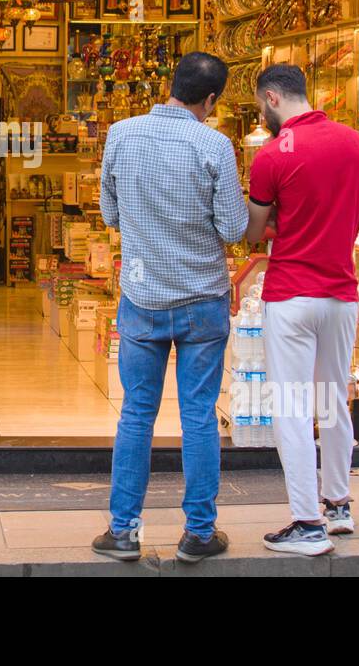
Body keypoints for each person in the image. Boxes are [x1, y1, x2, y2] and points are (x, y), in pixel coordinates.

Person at [91, 52, 247, 564]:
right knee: (198, 416)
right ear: (210, 100)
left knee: (136, 413)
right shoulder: (215, 144)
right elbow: (232, 229)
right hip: (203, 298)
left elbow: (109, 213)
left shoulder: (122, 133)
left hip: (142, 298)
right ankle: (199, 533)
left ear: (170, 86)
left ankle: (123, 532)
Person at [244, 64, 359, 556]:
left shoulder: (271, 156)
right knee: (333, 398)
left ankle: (306, 522)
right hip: (340, 292)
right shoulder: (354, 143)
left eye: (259, 108)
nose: (262, 116)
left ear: (272, 98)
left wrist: (274, 221)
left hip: (292, 293)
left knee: (293, 408)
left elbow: (253, 232)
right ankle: (338, 505)